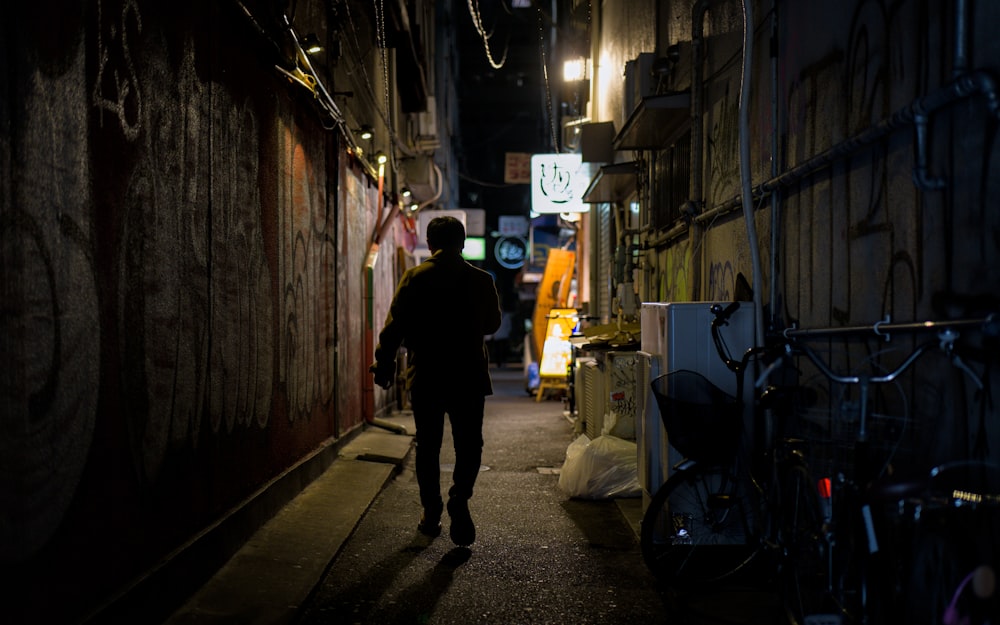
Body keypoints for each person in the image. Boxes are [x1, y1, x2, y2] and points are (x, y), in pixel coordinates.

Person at [370, 216, 502, 546]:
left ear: (429, 244)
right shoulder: (482, 280)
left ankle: (431, 512)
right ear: (463, 243)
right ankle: (460, 497)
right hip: (469, 376)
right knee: (469, 444)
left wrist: (383, 365)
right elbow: (492, 325)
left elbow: (394, 328)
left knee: (428, 447)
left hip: (426, 375)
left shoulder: (415, 277)